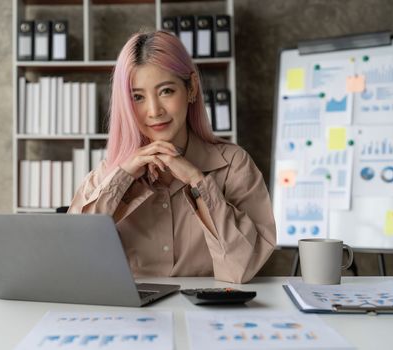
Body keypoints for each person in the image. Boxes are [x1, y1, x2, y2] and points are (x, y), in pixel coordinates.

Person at [68, 30, 276, 283]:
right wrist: (123, 178)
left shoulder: (234, 165)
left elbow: (242, 268)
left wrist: (197, 181)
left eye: (166, 91)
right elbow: (73, 259)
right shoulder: (109, 171)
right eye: (138, 97)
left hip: (207, 316)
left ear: (191, 88)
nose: (154, 111)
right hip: (132, 317)